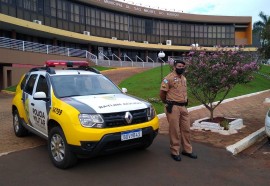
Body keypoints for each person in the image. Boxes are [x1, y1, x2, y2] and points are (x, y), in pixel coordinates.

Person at [160, 59, 197, 162]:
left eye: (182, 67)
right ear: (174, 67)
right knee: (175, 130)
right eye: (179, 66)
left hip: (183, 107)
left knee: (186, 129)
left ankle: (187, 150)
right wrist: (167, 103)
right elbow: (162, 93)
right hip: (173, 107)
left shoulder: (184, 78)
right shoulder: (168, 78)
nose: (181, 68)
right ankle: (174, 151)